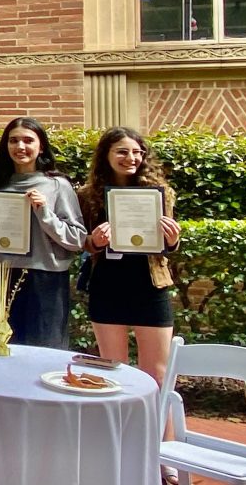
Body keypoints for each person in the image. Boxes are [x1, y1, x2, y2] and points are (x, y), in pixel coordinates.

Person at [78, 127, 181, 381]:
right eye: (122, 152)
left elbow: (167, 245)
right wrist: (95, 241)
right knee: (113, 371)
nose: (131, 158)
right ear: (106, 155)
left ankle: (159, 423)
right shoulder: (87, 195)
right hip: (107, 285)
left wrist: (173, 240)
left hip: (150, 286)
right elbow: (82, 241)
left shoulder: (161, 192)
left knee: (158, 373)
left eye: (137, 152)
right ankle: (121, 423)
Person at [0, 117, 87, 348]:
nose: (20, 147)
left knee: (45, 353)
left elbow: (77, 239)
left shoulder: (58, 185)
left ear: (41, 146)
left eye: (28, 140)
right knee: (5, 350)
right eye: (13, 141)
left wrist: (45, 213)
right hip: (4, 279)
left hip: (45, 279)